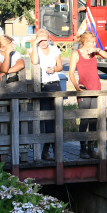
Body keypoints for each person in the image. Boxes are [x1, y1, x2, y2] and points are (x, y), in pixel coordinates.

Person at [70, 32, 107, 159]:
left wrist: (96, 49)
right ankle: (83, 148)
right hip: (84, 89)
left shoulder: (94, 53)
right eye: (92, 42)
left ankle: (91, 147)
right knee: (84, 119)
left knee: (94, 119)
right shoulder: (76, 54)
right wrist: (76, 86)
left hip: (96, 88)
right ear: (85, 42)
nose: (93, 44)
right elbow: (71, 73)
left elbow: (106, 55)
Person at [30, 29, 63, 161]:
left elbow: (60, 66)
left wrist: (54, 69)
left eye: (45, 40)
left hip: (55, 84)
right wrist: (34, 44)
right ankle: (49, 150)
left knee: (57, 117)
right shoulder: (36, 50)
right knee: (47, 119)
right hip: (42, 85)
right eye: (40, 40)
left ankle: (49, 150)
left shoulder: (54, 50)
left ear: (49, 39)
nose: (43, 42)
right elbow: (34, 62)